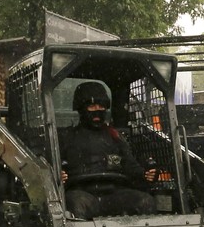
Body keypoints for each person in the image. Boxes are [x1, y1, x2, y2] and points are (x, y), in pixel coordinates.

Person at [58, 81, 155, 218]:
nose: (97, 110)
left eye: (101, 106)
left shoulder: (115, 136)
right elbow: (54, 167)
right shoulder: (67, 137)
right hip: (82, 191)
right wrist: (59, 175)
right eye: (92, 106)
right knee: (77, 204)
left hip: (114, 193)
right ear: (81, 108)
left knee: (145, 201)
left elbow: (130, 165)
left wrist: (144, 174)